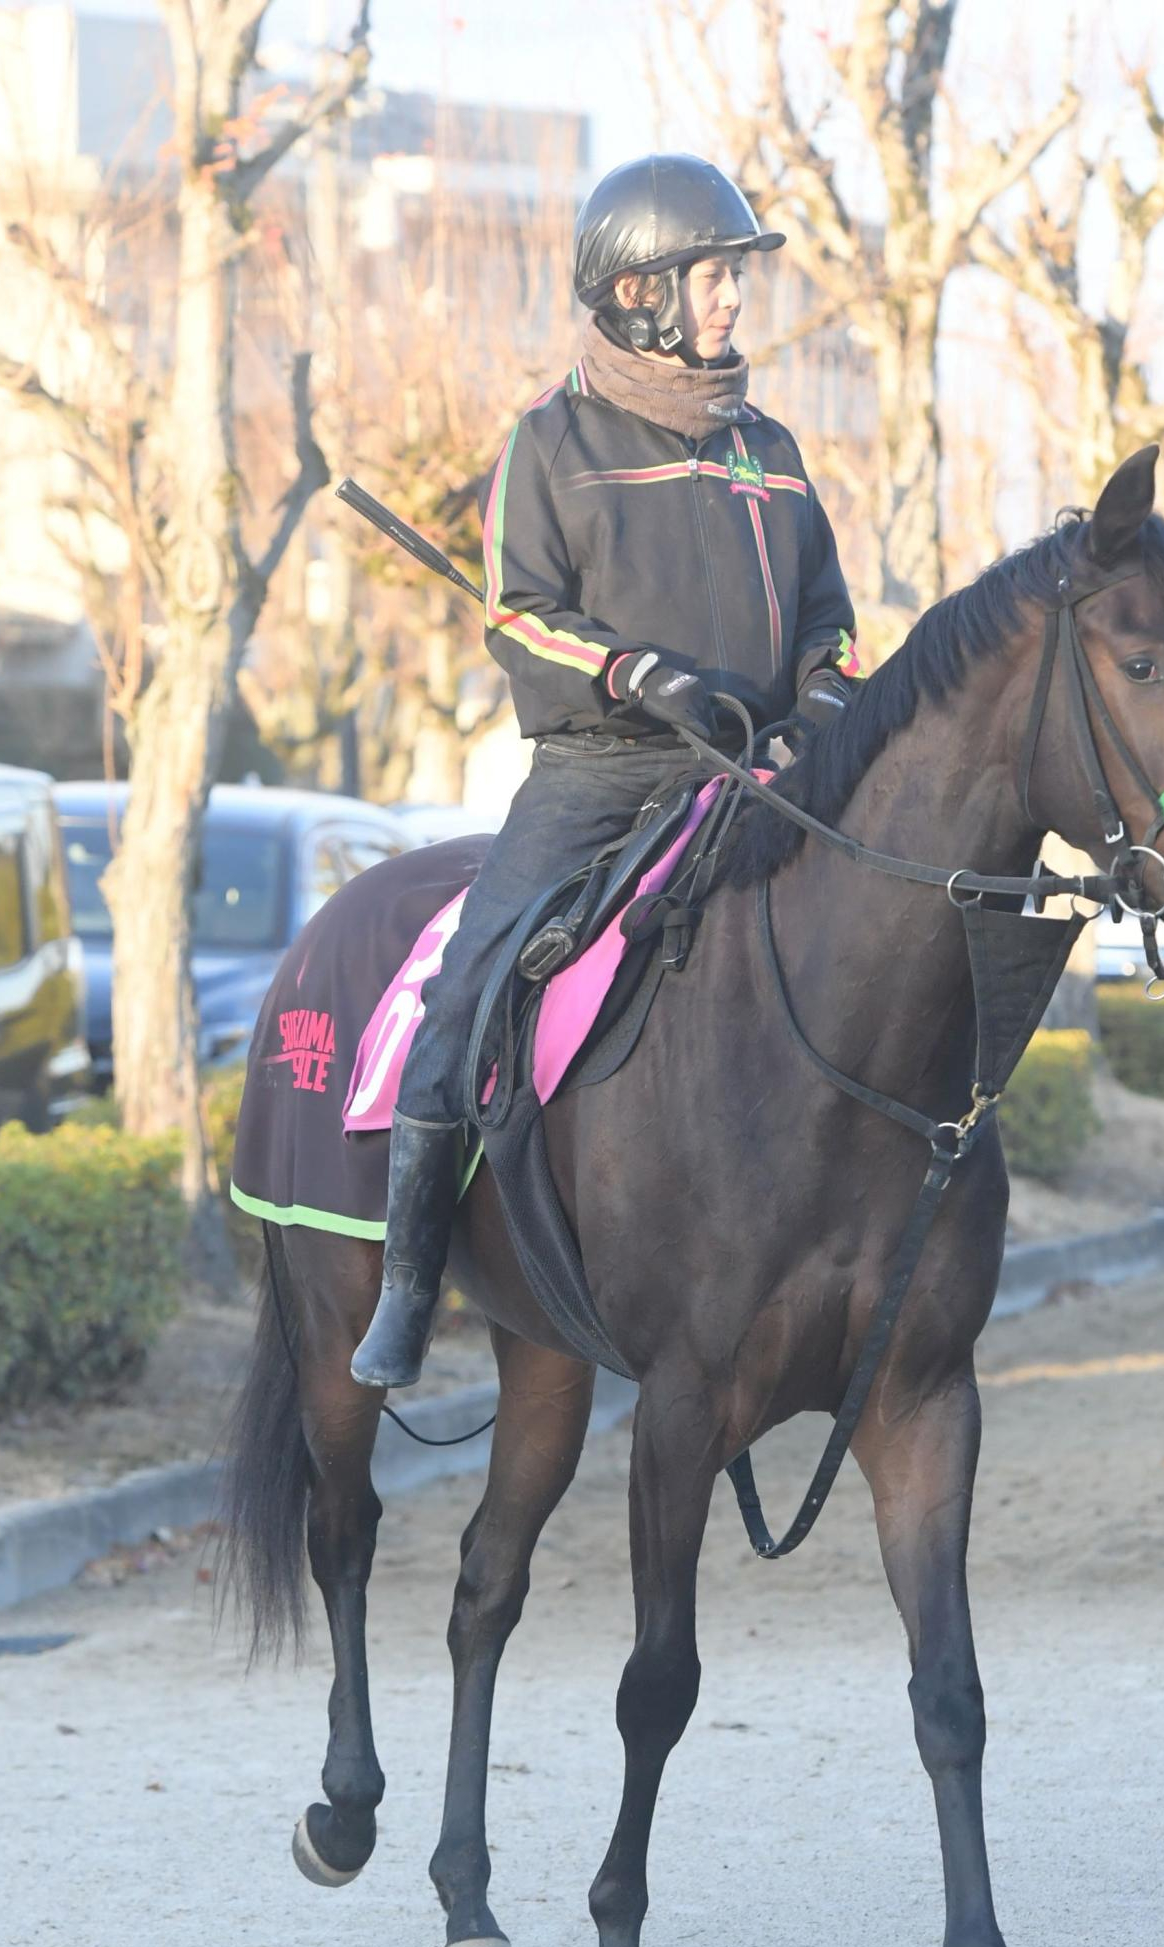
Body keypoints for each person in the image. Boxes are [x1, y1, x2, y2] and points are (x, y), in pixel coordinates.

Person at [352, 152, 860, 1389]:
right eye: (710, 275)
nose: (732, 298)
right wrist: (639, 677)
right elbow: (517, 614)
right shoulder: (548, 440)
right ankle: (410, 1282)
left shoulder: (775, 449)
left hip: (754, 779)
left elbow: (829, 621)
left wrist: (822, 704)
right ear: (637, 294)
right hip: (598, 777)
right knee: (467, 990)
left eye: (733, 274)